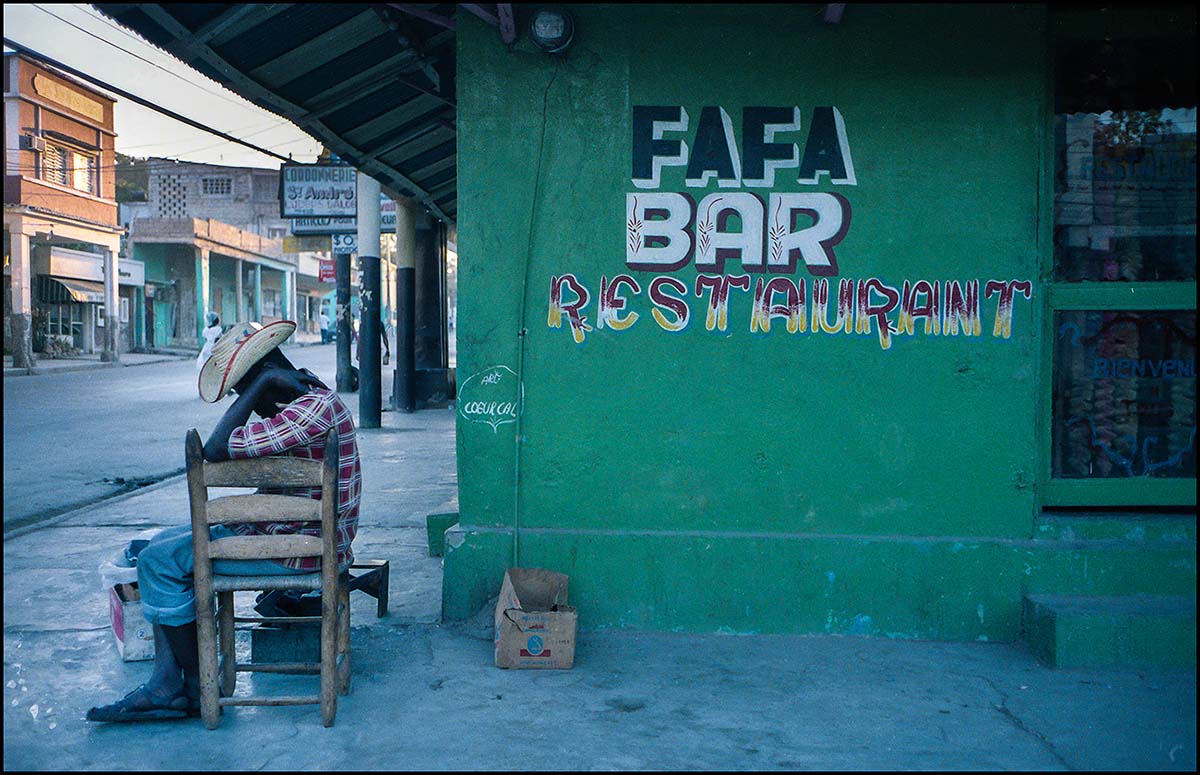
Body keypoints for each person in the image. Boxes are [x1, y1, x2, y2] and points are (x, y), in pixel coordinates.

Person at [87, 320, 362, 722]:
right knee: (155, 549)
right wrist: (264, 386)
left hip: (301, 550)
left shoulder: (308, 411)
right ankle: (166, 682)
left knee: (158, 563)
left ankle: (198, 686)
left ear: (265, 374)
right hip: (294, 535)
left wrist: (260, 388)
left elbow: (214, 449)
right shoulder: (312, 399)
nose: (243, 401)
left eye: (240, 388)